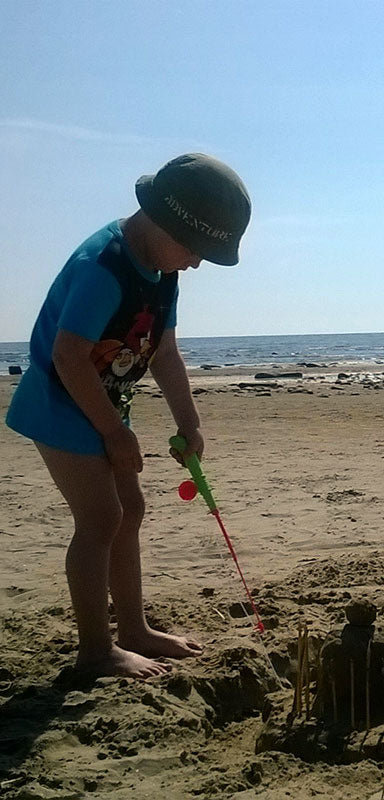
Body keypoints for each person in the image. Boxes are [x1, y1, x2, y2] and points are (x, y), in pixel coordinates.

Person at [5, 154, 251, 679]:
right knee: (100, 519)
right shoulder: (105, 267)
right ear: (164, 221)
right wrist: (114, 432)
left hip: (104, 401)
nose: (197, 263)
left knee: (130, 510)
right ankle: (96, 651)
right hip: (61, 403)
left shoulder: (162, 270)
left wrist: (190, 422)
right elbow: (69, 358)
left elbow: (162, 352)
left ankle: (134, 629)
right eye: (196, 249)